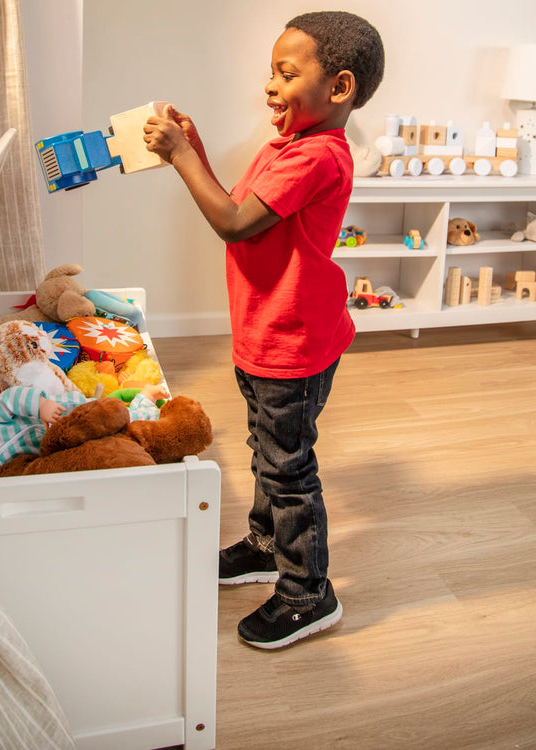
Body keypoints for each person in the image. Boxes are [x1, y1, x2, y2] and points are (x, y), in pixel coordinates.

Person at [143, 11, 384, 649]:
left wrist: (178, 156)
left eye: (285, 73)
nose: (271, 87)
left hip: (292, 341)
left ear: (338, 88)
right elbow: (238, 207)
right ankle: (264, 544)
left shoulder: (316, 158)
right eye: (269, 74)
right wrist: (191, 149)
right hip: (267, 330)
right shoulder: (286, 148)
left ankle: (309, 594)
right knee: (268, 450)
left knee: (287, 467)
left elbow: (230, 221)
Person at [0, 383, 168, 482]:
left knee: (121, 419)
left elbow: (8, 399)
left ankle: (145, 398)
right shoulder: (4, 472)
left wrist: (40, 405)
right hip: (69, 443)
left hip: (66, 415)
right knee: (117, 439)